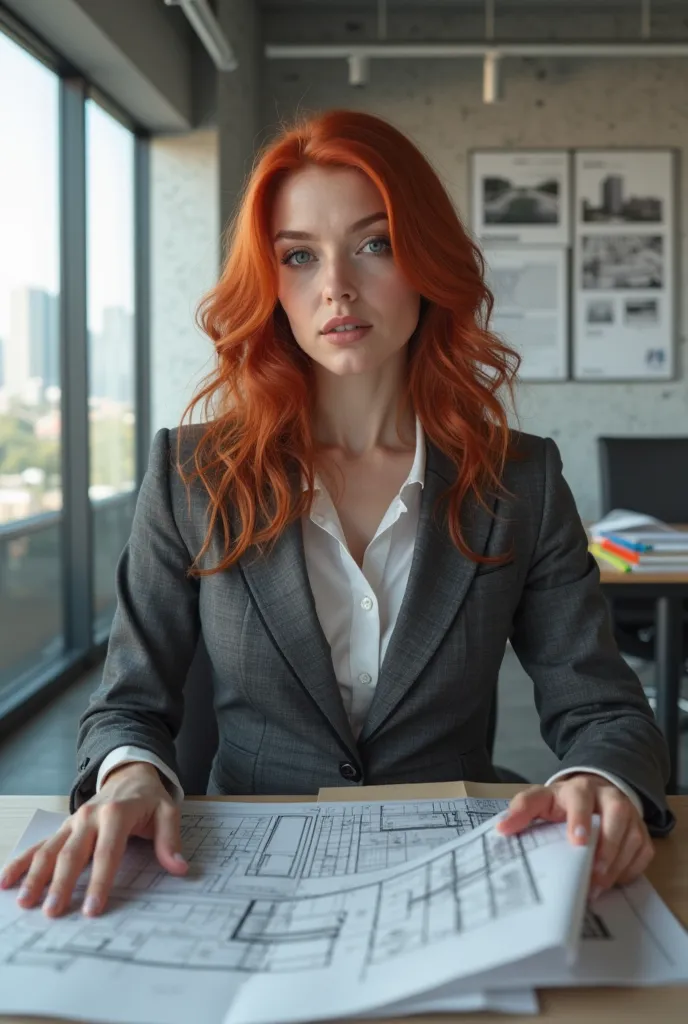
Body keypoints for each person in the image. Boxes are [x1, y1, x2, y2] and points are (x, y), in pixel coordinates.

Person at [0, 110, 673, 921]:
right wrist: (132, 776)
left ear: (425, 260)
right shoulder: (191, 473)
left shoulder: (518, 480)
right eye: (298, 256)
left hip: (457, 870)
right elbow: (129, 704)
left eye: (375, 243)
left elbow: (600, 707)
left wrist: (599, 783)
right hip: (232, 869)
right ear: (270, 282)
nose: (336, 288)